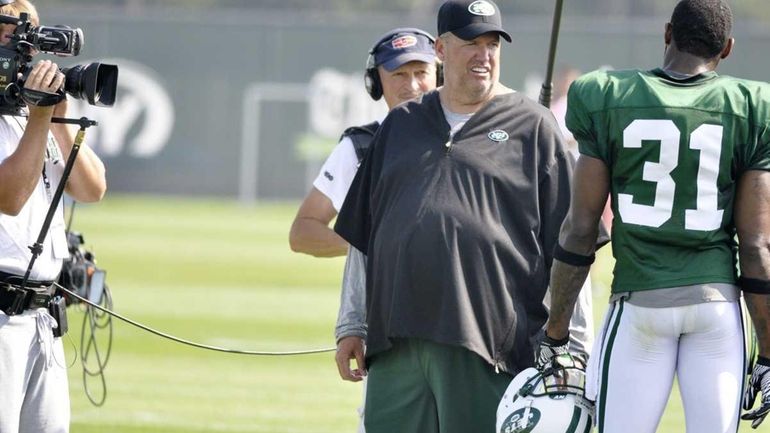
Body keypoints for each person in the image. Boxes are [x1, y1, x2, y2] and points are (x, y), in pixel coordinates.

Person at [334, 1, 604, 431]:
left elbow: (573, 243)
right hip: (396, 344)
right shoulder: (400, 123)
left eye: (492, 44)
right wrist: (351, 323)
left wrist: (573, 344)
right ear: (441, 49)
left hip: (489, 348)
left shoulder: (534, 128)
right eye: (471, 44)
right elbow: (367, 234)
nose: (484, 56)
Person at [540, 1, 770, 432]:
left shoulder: (607, 95)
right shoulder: (752, 105)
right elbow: (757, 247)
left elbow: (581, 228)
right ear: (728, 48)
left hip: (640, 302)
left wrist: (555, 333)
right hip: (716, 310)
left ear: (667, 33)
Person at [0, 1, 107, 432]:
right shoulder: (32, 119)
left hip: (43, 313)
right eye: (11, 30)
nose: (23, 43)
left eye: (30, 32)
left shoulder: (35, 114)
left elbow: (92, 188)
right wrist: (40, 118)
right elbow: (9, 197)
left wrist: (55, 116)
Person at [289, 28, 439, 258]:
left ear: (440, 76)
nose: (412, 85)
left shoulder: (467, 136)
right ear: (375, 82)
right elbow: (302, 232)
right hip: (383, 294)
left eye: (421, 72)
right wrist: (373, 243)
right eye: (399, 74)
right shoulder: (361, 146)